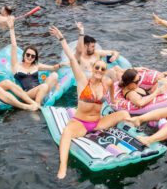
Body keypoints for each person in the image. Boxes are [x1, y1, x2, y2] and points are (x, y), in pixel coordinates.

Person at [52, 25, 130, 179]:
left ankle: (135, 132)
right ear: (93, 69)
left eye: (102, 69)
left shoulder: (106, 83)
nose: (100, 71)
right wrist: (61, 38)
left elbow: (112, 93)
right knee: (67, 133)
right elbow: (73, 58)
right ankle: (62, 166)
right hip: (81, 123)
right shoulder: (82, 81)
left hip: (98, 122)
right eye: (97, 68)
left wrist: (113, 102)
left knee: (124, 113)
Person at [8, 17, 62, 105]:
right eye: (28, 55)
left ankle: (55, 95)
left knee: (54, 75)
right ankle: (37, 106)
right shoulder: (16, 66)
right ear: (24, 55)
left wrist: (64, 64)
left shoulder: (36, 65)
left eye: (33, 56)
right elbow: (14, 46)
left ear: (35, 58)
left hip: (41, 90)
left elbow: (52, 68)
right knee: (44, 86)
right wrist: (11, 29)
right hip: (27, 94)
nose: (30, 57)